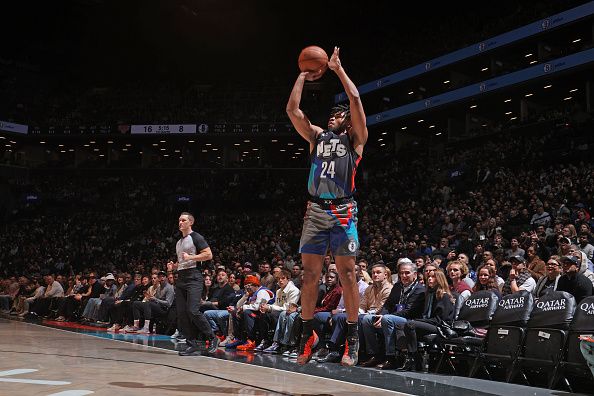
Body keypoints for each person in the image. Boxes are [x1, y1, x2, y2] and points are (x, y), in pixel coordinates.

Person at [286, 46, 368, 366]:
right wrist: (303, 75)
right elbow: (293, 110)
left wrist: (337, 70)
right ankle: (307, 336)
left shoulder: (355, 140)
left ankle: (351, 337)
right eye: (331, 114)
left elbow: (357, 100)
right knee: (309, 276)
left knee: (347, 275)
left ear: (347, 120)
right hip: (316, 209)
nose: (333, 117)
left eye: (339, 114)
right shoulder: (317, 137)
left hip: (344, 211)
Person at [167, 212, 219, 356]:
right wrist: (174, 267)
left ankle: (212, 338)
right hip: (182, 277)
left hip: (194, 277)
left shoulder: (196, 237)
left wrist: (191, 257)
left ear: (190, 222)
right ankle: (192, 344)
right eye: (179, 220)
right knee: (182, 313)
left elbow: (208, 254)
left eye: (183, 220)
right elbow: (183, 262)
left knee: (193, 310)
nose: (180, 222)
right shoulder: (179, 242)